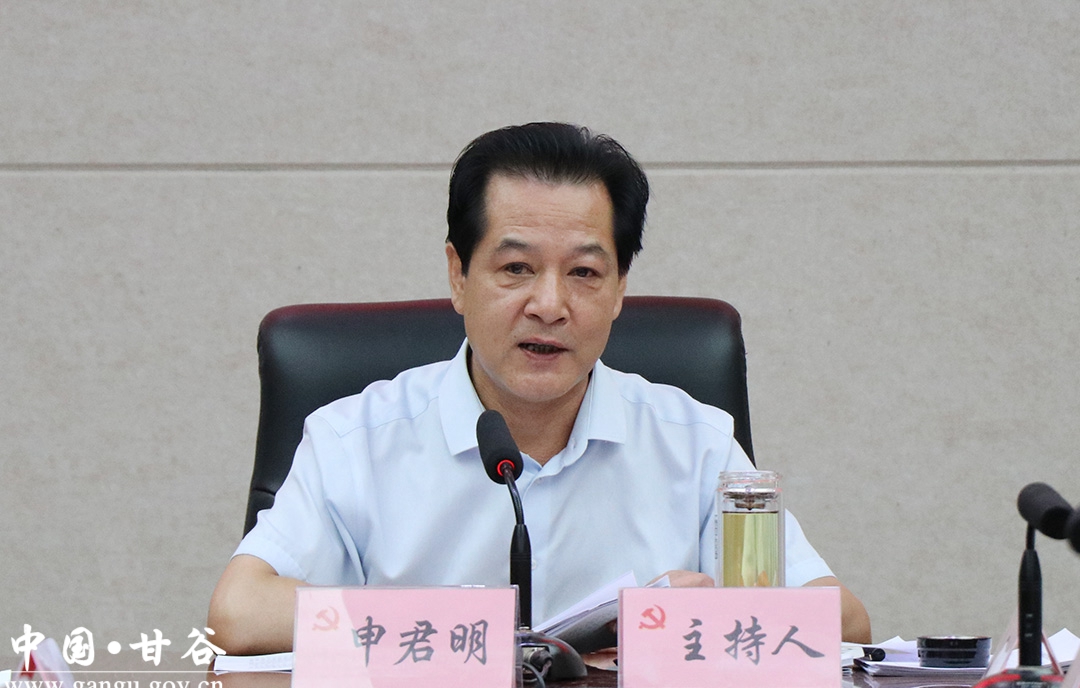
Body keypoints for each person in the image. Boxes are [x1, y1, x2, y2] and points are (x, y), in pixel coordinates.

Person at [208, 122, 871, 653]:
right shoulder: (355, 440)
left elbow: (843, 621)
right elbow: (238, 612)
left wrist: (691, 622)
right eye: (517, 268)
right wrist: (464, 629)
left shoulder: (694, 442)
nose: (550, 306)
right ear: (458, 275)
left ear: (619, 290)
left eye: (584, 273)